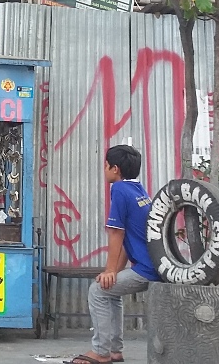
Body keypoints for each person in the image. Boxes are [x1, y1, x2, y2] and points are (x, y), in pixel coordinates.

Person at [65, 145, 161, 364]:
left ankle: (100, 351)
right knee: (110, 290)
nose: (104, 169)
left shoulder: (119, 190)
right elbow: (131, 239)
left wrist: (109, 270)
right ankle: (115, 351)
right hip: (151, 265)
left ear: (115, 169)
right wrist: (114, 273)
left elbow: (117, 232)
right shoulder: (139, 190)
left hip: (146, 269)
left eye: (106, 165)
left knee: (97, 291)